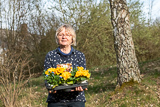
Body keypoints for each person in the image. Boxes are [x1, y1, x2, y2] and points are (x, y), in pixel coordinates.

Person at [44, 24, 88, 107]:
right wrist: (51, 87)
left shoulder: (79, 55)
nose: (64, 37)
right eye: (61, 35)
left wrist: (80, 85)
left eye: (68, 35)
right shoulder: (50, 55)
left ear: (72, 39)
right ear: (57, 38)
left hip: (76, 100)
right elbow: (47, 77)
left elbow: (83, 77)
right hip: (56, 100)